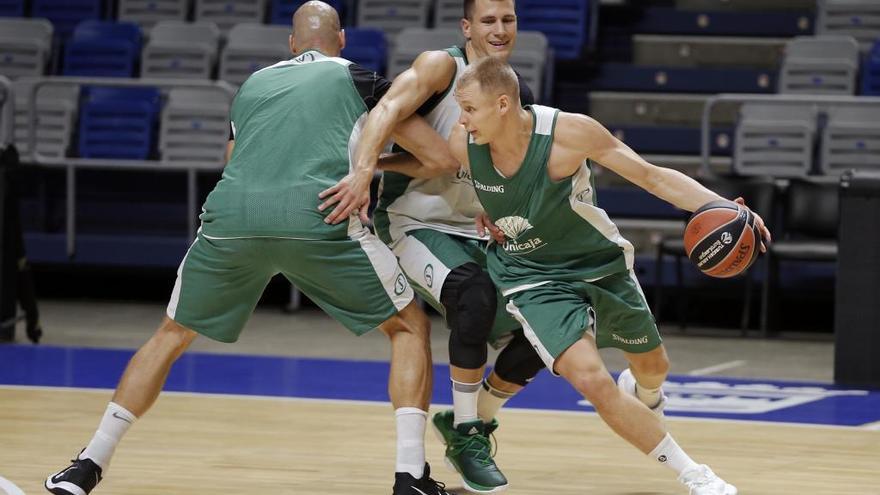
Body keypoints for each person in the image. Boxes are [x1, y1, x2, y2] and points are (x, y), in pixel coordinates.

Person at [43, 3, 458, 495]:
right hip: (317, 216)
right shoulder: (359, 78)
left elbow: (232, 160)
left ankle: (88, 463)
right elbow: (438, 158)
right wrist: (367, 165)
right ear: (342, 40)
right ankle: (411, 475)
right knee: (407, 325)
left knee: (171, 335)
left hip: (232, 220)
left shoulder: (253, 85)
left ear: (290, 44)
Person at [448, 56, 772, 494]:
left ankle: (648, 396)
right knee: (592, 381)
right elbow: (468, 186)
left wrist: (726, 208)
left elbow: (651, 177)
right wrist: (484, 210)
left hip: (597, 261)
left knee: (654, 368)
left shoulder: (569, 133)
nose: (461, 118)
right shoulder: (463, 143)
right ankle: (696, 475)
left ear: (503, 104)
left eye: (468, 108)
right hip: (533, 276)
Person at [319, 1, 544, 492]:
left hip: (477, 231)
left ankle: (476, 418)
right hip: (413, 223)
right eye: (488, 20)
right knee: (475, 292)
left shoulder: (516, 94)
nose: (500, 29)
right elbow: (386, 109)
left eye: (508, 20)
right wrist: (364, 171)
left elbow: (511, 173)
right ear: (467, 27)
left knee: (552, 321)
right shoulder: (441, 66)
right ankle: (466, 434)